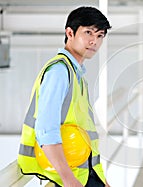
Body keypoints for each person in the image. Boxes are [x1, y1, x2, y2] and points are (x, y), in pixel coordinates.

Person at [17, 6, 111, 187]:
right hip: (70, 177)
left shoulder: (77, 75)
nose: (94, 41)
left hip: (84, 172)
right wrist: (68, 179)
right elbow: (46, 130)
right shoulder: (59, 71)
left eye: (100, 35)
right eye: (88, 32)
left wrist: (101, 180)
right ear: (70, 33)